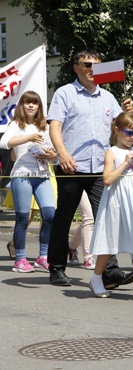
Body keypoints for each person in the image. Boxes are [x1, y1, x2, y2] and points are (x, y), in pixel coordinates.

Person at [47, 49, 133, 287]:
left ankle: (109, 271)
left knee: (106, 218)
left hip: (100, 168)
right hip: (71, 166)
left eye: (97, 65)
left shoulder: (108, 97)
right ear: (76, 67)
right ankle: (56, 267)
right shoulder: (64, 93)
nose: (92, 70)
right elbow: (54, 127)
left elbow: (124, 127)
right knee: (64, 217)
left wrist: (128, 113)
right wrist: (62, 154)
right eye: (87, 64)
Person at [88, 112, 133, 301]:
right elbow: (107, 179)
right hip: (116, 200)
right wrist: (125, 164)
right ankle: (96, 279)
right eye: (129, 132)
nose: (132, 137)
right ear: (117, 130)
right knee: (109, 242)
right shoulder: (112, 152)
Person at [0, 91, 57, 273]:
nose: (31, 106)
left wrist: (52, 156)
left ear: (40, 107)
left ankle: (43, 257)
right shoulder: (17, 124)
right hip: (22, 175)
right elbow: (4, 143)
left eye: (35, 103)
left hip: (42, 176)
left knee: (49, 215)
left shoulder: (45, 127)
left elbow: (55, 154)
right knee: (23, 218)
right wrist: (28, 138)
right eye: (27, 103)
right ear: (22, 106)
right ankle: (20, 259)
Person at [67, 191, 96, 269]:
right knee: (89, 218)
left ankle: (72, 246)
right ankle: (88, 258)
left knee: (90, 219)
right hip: (78, 183)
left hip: (95, 183)